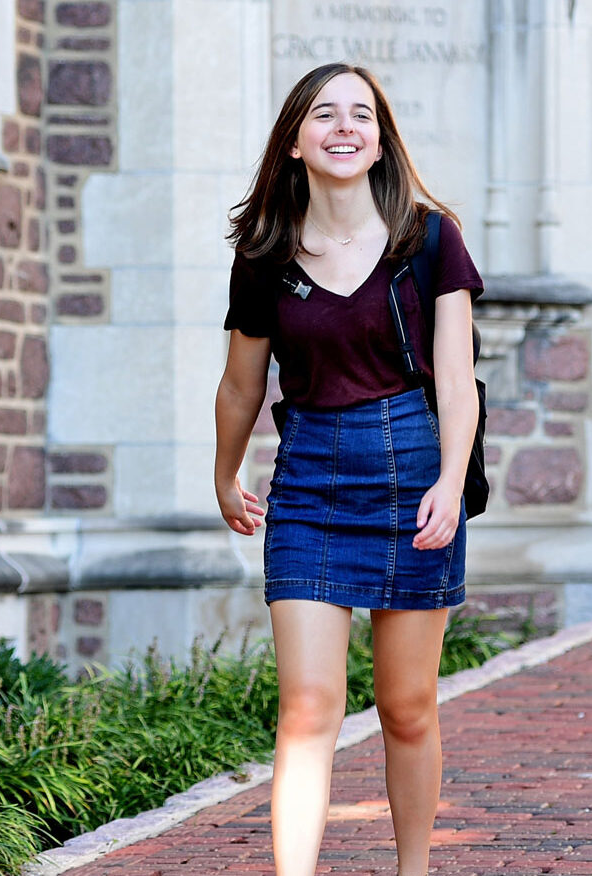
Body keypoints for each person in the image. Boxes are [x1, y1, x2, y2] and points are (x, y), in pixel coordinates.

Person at [212, 63, 484, 876]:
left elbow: (458, 378)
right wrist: (224, 474)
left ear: (379, 141)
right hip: (308, 488)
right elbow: (240, 385)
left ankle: (413, 871)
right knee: (305, 709)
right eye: (325, 114)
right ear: (295, 141)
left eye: (361, 115)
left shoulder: (430, 240)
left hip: (412, 475)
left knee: (406, 709)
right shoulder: (264, 254)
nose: (344, 127)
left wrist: (450, 480)